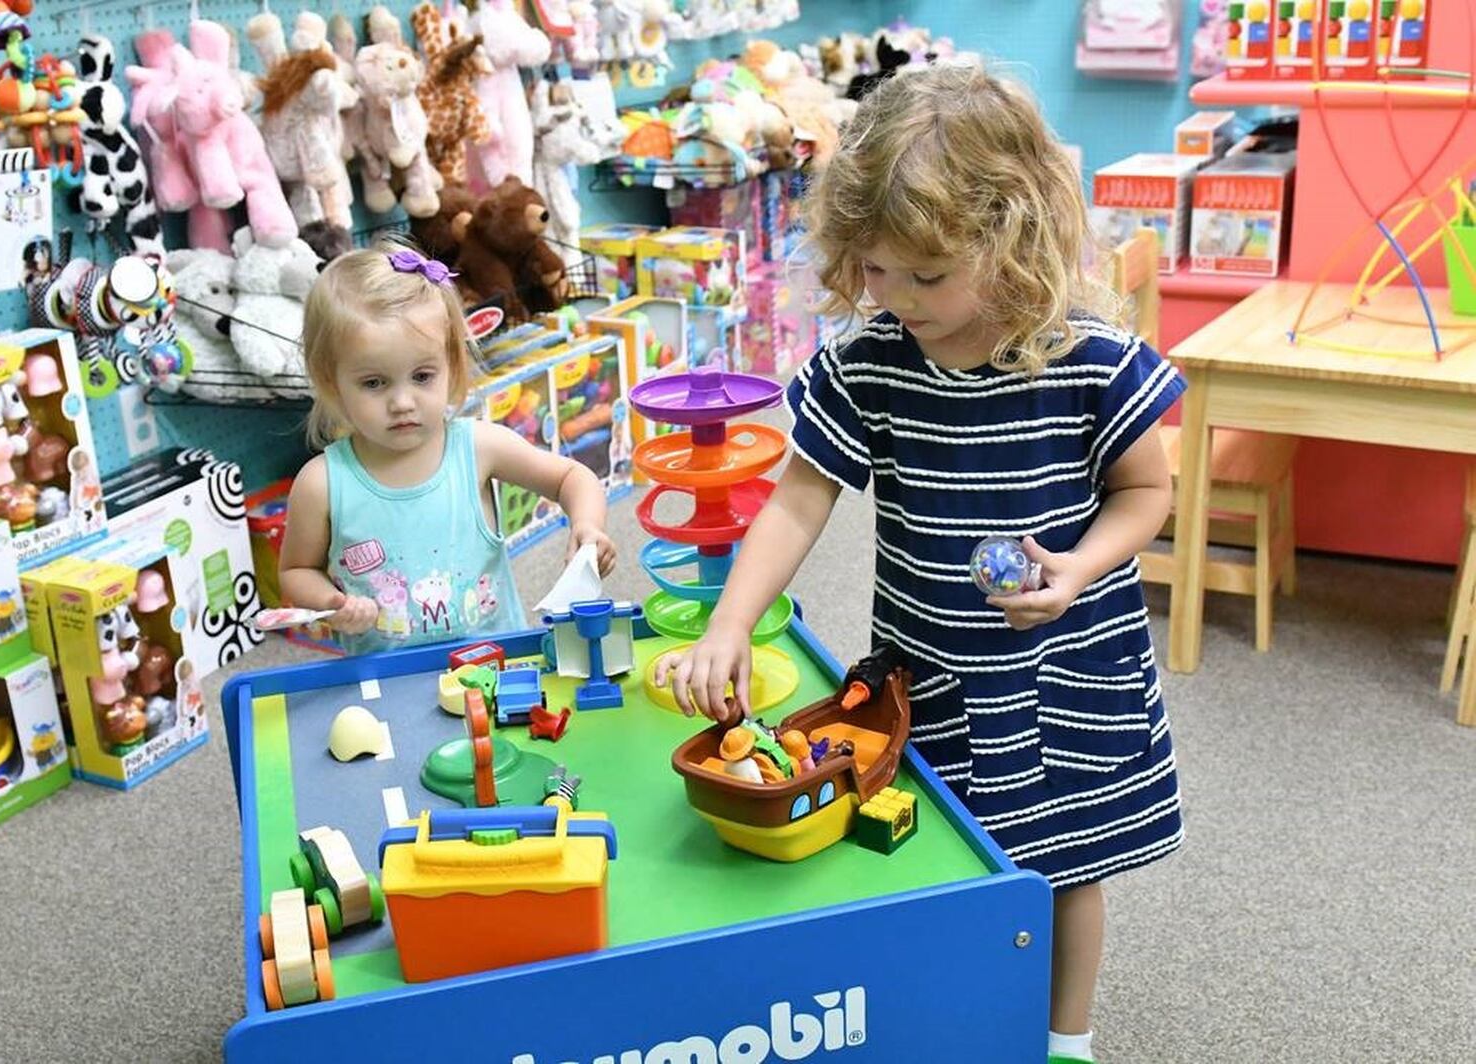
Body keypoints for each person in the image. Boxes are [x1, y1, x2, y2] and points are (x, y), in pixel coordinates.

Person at [657, 63, 1183, 1064]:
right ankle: (950, 1015)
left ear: (1012, 234)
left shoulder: (1087, 356)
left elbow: (1145, 492)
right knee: (927, 842)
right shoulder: (872, 358)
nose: (891, 298)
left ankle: (1067, 1037)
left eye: (924, 276)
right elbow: (802, 493)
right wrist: (729, 618)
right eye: (871, 270)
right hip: (927, 676)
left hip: (1062, 665)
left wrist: (1077, 568)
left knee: (1067, 864)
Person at [280, 241, 617, 654]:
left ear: (451, 367)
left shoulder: (477, 446)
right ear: (333, 383)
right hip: (386, 679)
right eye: (374, 383)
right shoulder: (321, 484)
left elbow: (572, 477)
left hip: (497, 663)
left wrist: (587, 526)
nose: (402, 402)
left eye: (422, 376)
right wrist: (330, 603)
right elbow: (297, 570)